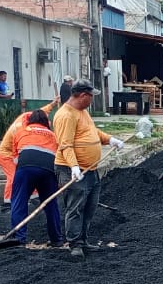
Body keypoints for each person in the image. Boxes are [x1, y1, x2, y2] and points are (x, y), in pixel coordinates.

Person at [53, 78, 125, 259]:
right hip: (72, 170)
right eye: (91, 96)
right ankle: (75, 244)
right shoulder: (66, 115)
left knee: (89, 207)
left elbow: (93, 132)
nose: (93, 99)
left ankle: (83, 241)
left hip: (91, 170)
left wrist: (110, 140)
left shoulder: (83, 112)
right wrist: (74, 166)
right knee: (75, 208)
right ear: (83, 95)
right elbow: (65, 145)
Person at [7, 109, 64, 248]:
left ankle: (19, 239)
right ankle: (57, 239)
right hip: (49, 170)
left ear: (30, 121)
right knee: (51, 204)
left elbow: (15, 158)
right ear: (46, 122)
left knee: (19, 202)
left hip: (26, 168)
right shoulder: (53, 135)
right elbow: (59, 156)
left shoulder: (21, 132)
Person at [0, 97, 59, 208]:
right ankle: (8, 203)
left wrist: (53, 103)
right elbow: (19, 148)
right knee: (15, 177)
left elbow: (42, 111)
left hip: (16, 151)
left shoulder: (30, 116)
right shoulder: (22, 129)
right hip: (7, 154)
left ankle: (33, 199)